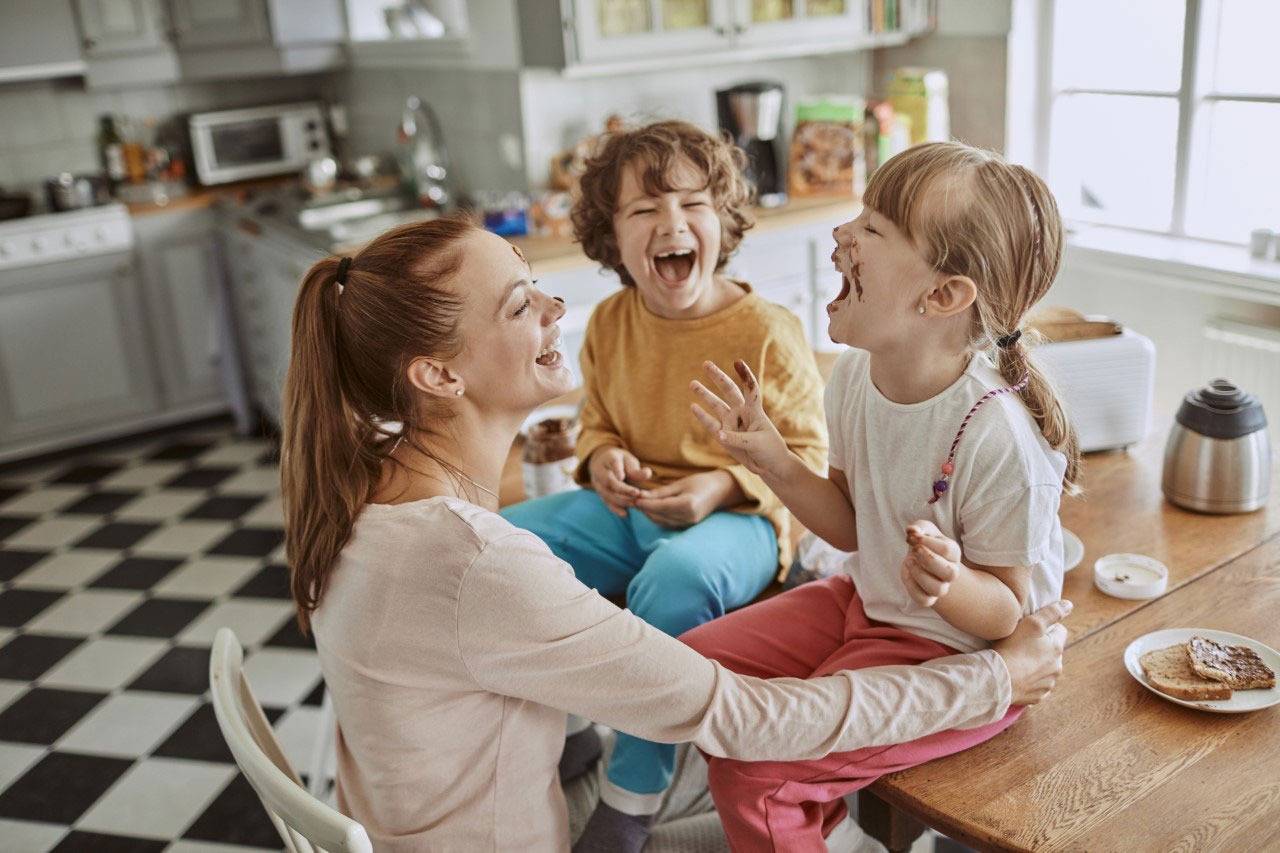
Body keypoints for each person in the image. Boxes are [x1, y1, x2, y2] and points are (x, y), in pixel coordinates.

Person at [278, 213, 1072, 852]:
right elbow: (748, 719)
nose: (556, 307)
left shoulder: (363, 487)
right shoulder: (478, 565)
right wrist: (996, 678)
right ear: (440, 376)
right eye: (521, 305)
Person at [688, 140, 1082, 850]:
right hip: (865, 600)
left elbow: (1003, 615)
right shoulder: (852, 377)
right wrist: (774, 461)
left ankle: (797, 805)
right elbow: (849, 525)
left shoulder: (996, 436)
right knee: (688, 670)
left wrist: (949, 580)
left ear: (941, 295)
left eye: (872, 228)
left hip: (952, 652)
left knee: (756, 767)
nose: (842, 235)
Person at [499, 119, 830, 847]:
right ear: (610, 238)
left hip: (739, 520)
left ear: (725, 222)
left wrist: (716, 486)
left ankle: (631, 793)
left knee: (672, 581)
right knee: (506, 544)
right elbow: (598, 422)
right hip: (627, 510)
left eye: (693, 205)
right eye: (644, 211)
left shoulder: (768, 330)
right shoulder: (611, 321)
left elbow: (806, 455)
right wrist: (601, 460)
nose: (671, 224)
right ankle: (575, 722)